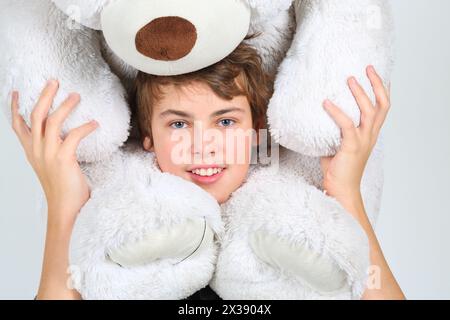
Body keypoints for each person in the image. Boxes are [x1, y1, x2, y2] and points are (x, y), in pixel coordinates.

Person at [9, 41, 404, 300]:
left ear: (256, 133)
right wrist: (65, 208)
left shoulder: (301, 225)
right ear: (148, 137)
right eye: (178, 124)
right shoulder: (121, 233)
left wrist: (347, 194)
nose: (203, 145)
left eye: (226, 122)